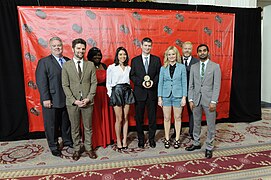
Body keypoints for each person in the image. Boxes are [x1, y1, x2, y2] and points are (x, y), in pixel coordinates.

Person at [35, 37, 73, 157]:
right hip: (51, 99)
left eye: (59, 45)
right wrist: (46, 98)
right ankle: (53, 145)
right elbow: (41, 82)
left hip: (67, 98)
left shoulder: (68, 61)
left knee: (66, 122)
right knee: (51, 124)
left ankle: (67, 141)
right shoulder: (44, 62)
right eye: (54, 46)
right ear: (50, 47)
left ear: (62, 46)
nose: (57, 47)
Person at [62, 38, 97, 161]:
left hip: (87, 102)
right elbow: (65, 85)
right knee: (75, 128)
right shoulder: (66, 66)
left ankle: (88, 148)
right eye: (78, 48)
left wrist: (88, 98)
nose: (81, 51)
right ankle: (77, 149)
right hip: (73, 103)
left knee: (88, 127)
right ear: (73, 49)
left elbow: (94, 83)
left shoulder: (90, 65)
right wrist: (74, 100)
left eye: (83, 48)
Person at [185, 44, 221, 159]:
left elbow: (216, 86)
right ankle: (196, 143)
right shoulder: (194, 67)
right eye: (200, 51)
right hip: (196, 100)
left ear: (208, 52)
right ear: (198, 53)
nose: (202, 52)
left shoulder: (215, 67)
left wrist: (214, 101)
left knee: (210, 125)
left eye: (204, 50)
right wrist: (190, 99)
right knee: (196, 122)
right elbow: (190, 85)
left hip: (209, 100)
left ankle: (209, 147)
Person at [130, 37, 161, 148]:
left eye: (149, 46)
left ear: (151, 47)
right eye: (145, 45)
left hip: (152, 93)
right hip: (139, 94)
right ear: (141, 46)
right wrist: (141, 83)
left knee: (152, 118)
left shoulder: (156, 60)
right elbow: (132, 75)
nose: (147, 48)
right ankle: (141, 139)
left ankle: (152, 139)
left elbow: (159, 74)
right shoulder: (135, 60)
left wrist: (153, 82)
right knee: (139, 118)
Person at [158, 46, 187, 149]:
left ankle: (177, 139)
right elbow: (160, 83)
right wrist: (159, 97)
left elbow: (184, 83)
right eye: (169, 54)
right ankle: (166, 138)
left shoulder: (181, 67)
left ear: (176, 55)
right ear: (167, 56)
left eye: (173, 54)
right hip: (166, 96)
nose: (171, 56)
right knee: (166, 118)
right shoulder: (163, 68)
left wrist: (184, 97)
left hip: (178, 96)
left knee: (178, 118)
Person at [106, 47, 135, 151]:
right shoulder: (111, 67)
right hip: (116, 91)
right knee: (119, 118)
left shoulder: (129, 68)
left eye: (124, 54)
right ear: (117, 56)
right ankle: (118, 140)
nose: (122, 56)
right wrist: (111, 95)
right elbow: (108, 83)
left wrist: (131, 91)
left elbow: (130, 81)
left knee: (126, 117)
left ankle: (124, 141)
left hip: (127, 91)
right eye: (120, 54)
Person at [87, 47, 116, 149]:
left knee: (106, 116)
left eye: (99, 55)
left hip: (104, 94)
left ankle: (108, 138)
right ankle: (97, 140)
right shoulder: (87, 66)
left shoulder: (104, 66)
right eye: (95, 55)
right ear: (90, 56)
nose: (97, 57)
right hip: (92, 95)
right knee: (95, 118)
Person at [171, 41, 199, 140]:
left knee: (192, 112)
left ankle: (192, 132)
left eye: (189, 49)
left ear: (192, 50)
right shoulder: (176, 60)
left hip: (192, 92)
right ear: (182, 49)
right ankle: (176, 132)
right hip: (178, 91)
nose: (187, 50)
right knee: (177, 113)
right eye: (185, 48)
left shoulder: (197, 62)